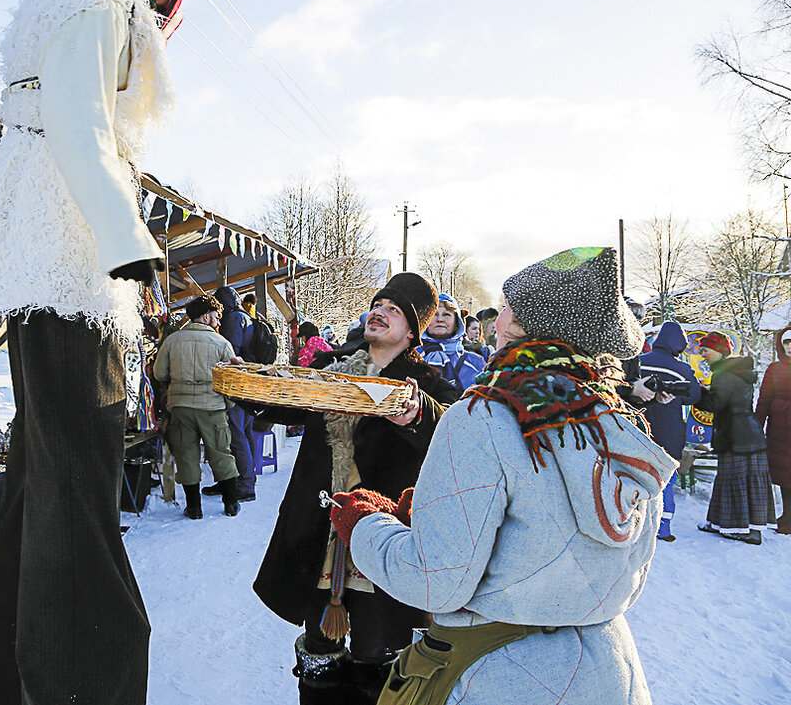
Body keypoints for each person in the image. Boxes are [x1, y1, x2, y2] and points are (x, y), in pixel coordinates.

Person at [0, 0, 289, 702]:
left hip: (43, 271)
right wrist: (130, 245)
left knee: (43, 493)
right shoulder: (106, 2)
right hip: (73, 272)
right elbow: (81, 124)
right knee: (76, 500)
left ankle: (10, 682)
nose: (175, 10)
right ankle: (84, 685)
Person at [328, 246, 675, 705]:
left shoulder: (484, 414)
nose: (497, 316)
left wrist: (367, 526)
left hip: (497, 677)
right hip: (609, 676)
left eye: (508, 303)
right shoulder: (622, 422)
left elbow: (435, 580)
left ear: (519, 324)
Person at [252, 273, 459, 705]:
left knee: (376, 650)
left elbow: (452, 430)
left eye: (394, 310)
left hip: (382, 535)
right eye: (378, 304)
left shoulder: (426, 385)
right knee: (319, 651)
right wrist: (251, 385)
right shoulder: (332, 368)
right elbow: (282, 396)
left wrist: (417, 412)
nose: (380, 312)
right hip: (320, 530)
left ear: (412, 330)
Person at [152, 295, 244, 519]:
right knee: (221, 453)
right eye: (216, 316)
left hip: (181, 407)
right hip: (212, 407)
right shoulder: (221, 343)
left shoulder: (172, 341)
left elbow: (159, 373)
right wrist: (226, 404)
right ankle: (231, 504)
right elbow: (232, 379)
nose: (218, 321)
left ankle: (194, 508)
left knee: (186, 455)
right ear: (206, 316)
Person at [696, 331, 775, 545]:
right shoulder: (737, 371)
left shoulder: (724, 373)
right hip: (748, 431)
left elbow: (714, 404)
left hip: (735, 433)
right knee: (743, 480)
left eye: (706, 350)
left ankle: (743, 530)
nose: (702, 354)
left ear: (720, 351)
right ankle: (723, 523)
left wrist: (695, 393)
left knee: (734, 479)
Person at [638, 321, 703, 541]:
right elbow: (694, 396)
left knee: (636, 475)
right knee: (665, 479)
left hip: (638, 428)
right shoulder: (681, 369)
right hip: (669, 432)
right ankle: (662, 528)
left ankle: (635, 524)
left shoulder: (639, 361)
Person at [210, 285, 259, 501]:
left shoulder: (232, 319)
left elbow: (231, 354)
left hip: (237, 385)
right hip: (248, 384)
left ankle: (245, 485)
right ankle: (243, 479)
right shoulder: (246, 316)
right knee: (245, 433)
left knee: (236, 435)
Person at [755, 327, 791, 534]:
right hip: (779, 429)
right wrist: (757, 425)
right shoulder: (774, 369)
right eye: (787, 343)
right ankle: (787, 516)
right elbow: (764, 400)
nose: (790, 348)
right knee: (784, 474)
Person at [420, 292, 486, 391]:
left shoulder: (476, 362)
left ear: (457, 322)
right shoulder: (413, 356)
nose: (440, 319)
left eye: (446, 315)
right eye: (434, 314)